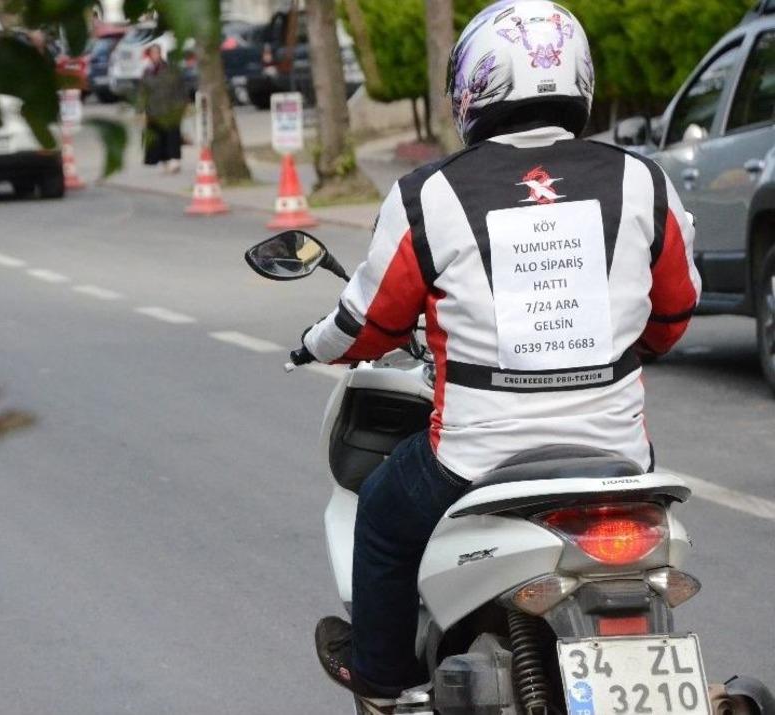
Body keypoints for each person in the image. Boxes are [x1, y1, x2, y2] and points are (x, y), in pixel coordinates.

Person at [299, 0, 701, 704]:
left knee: (385, 517)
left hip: (475, 457)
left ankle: (387, 683)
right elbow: (673, 314)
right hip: (617, 457)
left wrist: (312, 346)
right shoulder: (643, 180)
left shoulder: (431, 193)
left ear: (472, 89)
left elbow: (370, 320)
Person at [139, 44, 186, 174]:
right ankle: (165, 161)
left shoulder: (170, 70)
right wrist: (141, 109)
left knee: (172, 136)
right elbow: (143, 91)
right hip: (153, 111)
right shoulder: (147, 72)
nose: (155, 56)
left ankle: (174, 160)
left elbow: (180, 89)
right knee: (159, 138)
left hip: (170, 109)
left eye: (157, 53)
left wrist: (180, 106)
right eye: (152, 54)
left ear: (160, 54)